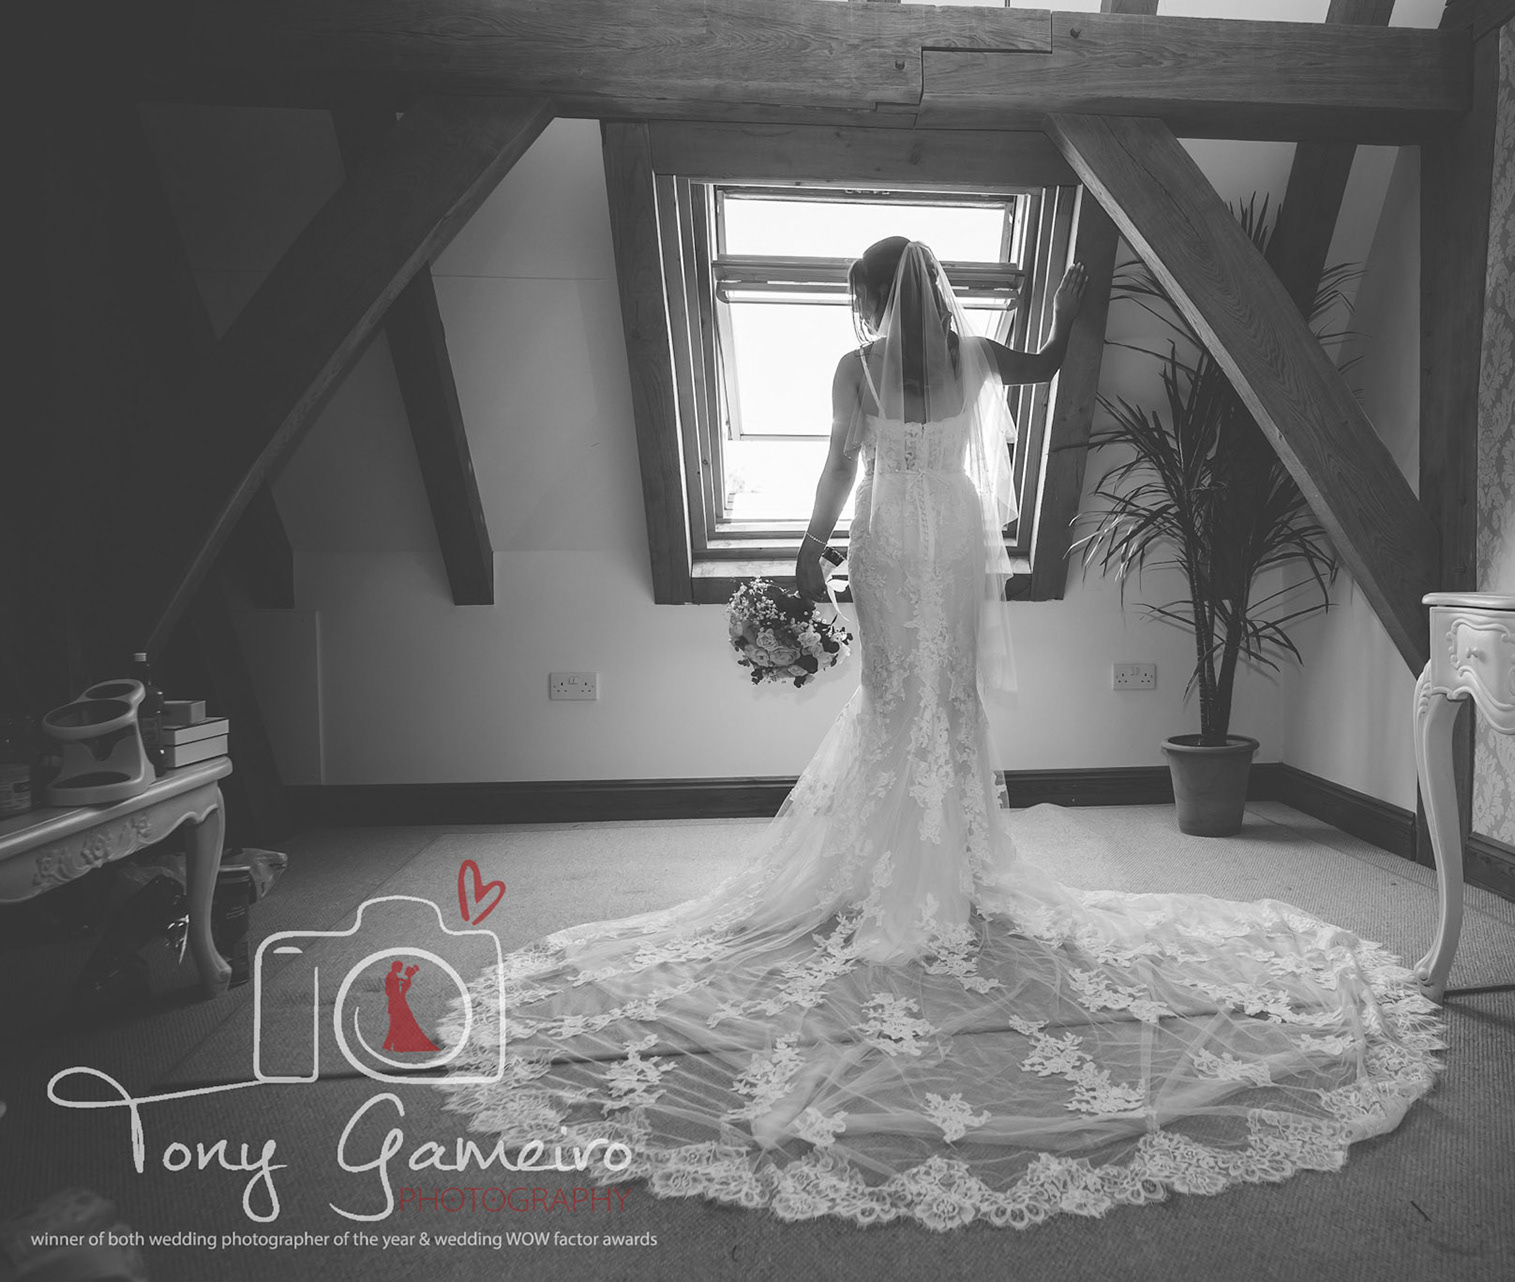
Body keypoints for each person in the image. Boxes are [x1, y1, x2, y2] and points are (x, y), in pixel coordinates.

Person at [435, 239, 1442, 1232]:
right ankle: (949, 858)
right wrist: (1069, 308)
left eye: (864, 298)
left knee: (895, 698)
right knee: (947, 698)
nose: (868, 313)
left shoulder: (855, 367)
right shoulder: (978, 354)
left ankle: (898, 858)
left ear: (878, 297)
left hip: (886, 531)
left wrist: (808, 549)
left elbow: (841, 464)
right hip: (954, 531)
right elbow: (1045, 367)